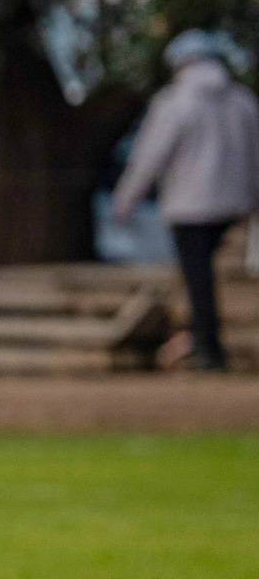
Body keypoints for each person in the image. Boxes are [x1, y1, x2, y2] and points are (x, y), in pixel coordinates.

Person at [113, 29, 259, 371]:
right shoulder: (243, 101)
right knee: (205, 276)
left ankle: (208, 349)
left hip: (190, 206)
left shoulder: (174, 102)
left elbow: (150, 156)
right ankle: (203, 342)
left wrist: (126, 198)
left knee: (199, 279)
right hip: (235, 205)